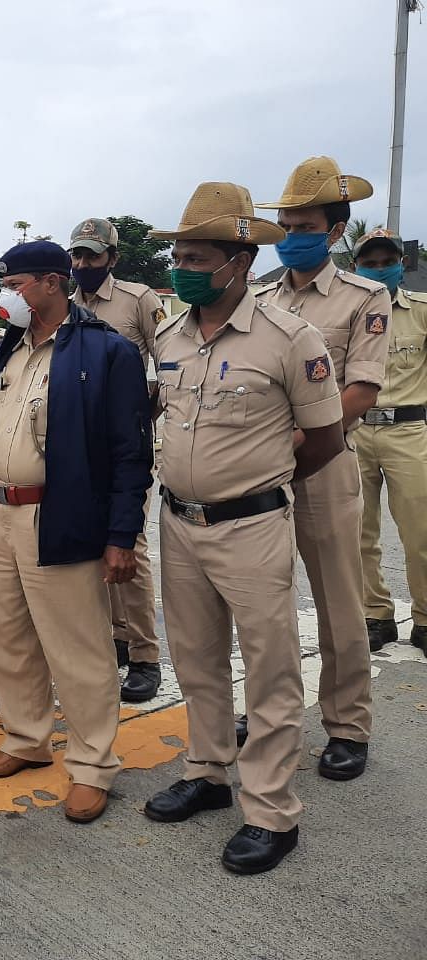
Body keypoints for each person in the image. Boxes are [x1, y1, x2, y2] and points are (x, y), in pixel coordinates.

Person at [143, 182, 345, 875]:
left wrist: (259, 487)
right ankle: (207, 773)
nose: (182, 267)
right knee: (195, 659)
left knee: (270, 669)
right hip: (179, 523)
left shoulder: (291, 336)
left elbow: (324, 439)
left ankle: (270, 811)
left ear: (238, 260)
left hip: (252, 527)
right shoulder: (169, 335)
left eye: (195, 256)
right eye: (177, 255)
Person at [0, 240, 152, 825]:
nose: (6, 297)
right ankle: (25, 739)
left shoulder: (104, 350)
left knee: (79, 645)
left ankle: (93, 765)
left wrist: (121, 535)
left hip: (58, 515)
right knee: (10, 634)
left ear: (52, 282)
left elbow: (129, 451)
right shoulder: (8, 352)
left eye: (15, 285)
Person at [253, 157, 391, 780]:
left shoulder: (366, 296)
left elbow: (362, 389)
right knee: (259, 603)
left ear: (334, 233)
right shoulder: (258, 297)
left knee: (338, 602)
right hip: (255, 474)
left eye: (304, 224)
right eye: (284, 224)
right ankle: (267, 714)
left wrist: (297, 440)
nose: (291, 235)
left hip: (324, 464)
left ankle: (347, 724)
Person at [68, 217, 166, 702]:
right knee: (95, 544)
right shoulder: (66, 306)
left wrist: (143, 418)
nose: (83, 264)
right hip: (81, 446)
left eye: (92, 255)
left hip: (126, 443)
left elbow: (170, 364)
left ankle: (146, 654)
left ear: (112, 257)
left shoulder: (139, 300)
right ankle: (117, 638)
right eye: (77, 256)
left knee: (132, 545)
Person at [349, 228, 427, 656]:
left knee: (421, 532)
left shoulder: (421, 311)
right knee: (359, 532)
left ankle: (425, 619)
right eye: (370, 263)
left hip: (409, 430)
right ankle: (376, 615)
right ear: (355, 267)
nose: (380, 270)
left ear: (402, 263)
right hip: (356, 429)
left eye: (387, 262)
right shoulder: (346, 313)